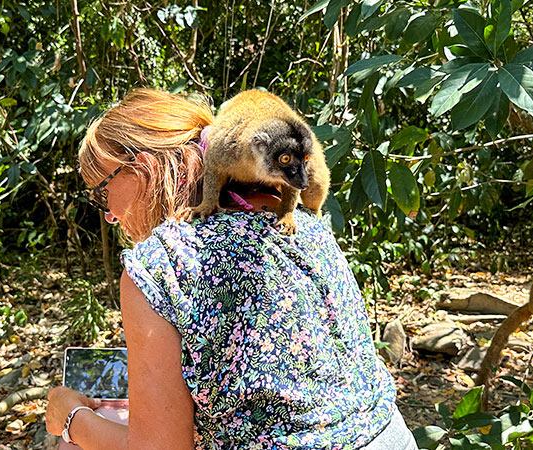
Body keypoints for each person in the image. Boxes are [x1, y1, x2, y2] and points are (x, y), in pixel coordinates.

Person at [45, 89, 416, 450]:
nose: (107, 214)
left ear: (142, 169)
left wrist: (70, 417)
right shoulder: (301, 218)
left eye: (100, 193)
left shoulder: (160, 267)